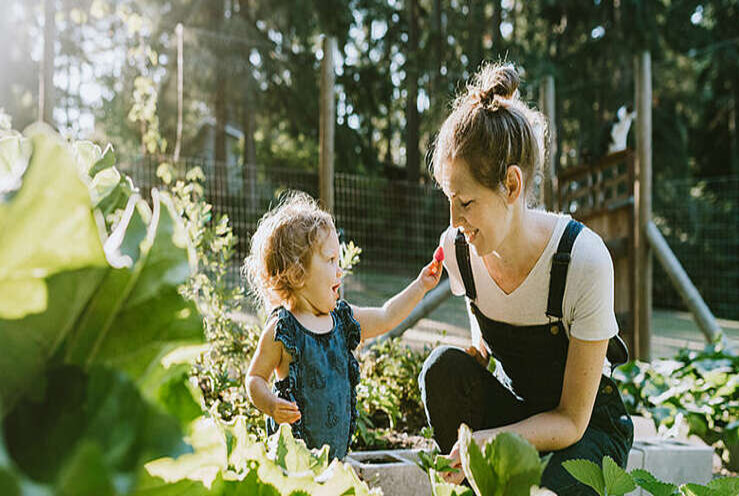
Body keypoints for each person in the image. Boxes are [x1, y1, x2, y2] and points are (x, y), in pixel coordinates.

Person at [418, 62, 633, 495]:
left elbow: (572, 420)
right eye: (449, 200)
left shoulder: (583, 260)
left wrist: (492, 440)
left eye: (466, 202)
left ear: (511, 186)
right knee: (441, 370)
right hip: (519, 412)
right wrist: (479, 347)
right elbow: (484, 315)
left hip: (585, 430)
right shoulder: (462, 249)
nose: (454, 219)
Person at [244, 191, 443, 460]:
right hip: (292, 461)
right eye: (330, 261)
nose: (340, 271)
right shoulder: (283, 331)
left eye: (339, 260)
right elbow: (255, 378)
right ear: (297, 272)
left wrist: (421, 286)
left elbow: (386, 316)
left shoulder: (342, 320)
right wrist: (270, 404)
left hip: (334, 459)